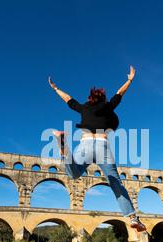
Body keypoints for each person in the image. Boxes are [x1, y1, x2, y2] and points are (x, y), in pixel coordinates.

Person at [48, 66, 146, 232]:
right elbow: (119, 94)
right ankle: (132, 218)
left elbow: (69, 100)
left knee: (73, 173)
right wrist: (130, 79)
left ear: (90, 98)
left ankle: (63, 147)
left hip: (85, 144)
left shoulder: (84, 108)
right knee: (116, 183)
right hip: (102, 146)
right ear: (103, 98)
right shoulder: (108, 107)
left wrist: (56, 88)